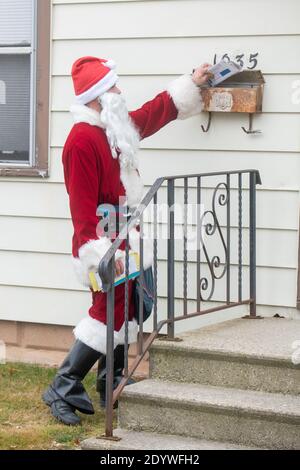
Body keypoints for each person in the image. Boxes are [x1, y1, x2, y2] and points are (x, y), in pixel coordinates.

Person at [42, 56, 212, 425]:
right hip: (100, 243)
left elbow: (150, 115)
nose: (120, 92)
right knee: (107, 313)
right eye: (114, 87)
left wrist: (192, 83)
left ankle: (110, 383)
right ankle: (63, 384)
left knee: (128, 309)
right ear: (98, 97)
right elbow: (82, 210)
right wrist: (97, 255)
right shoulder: (81, 142)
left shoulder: (112, 129)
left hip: (125, 237)